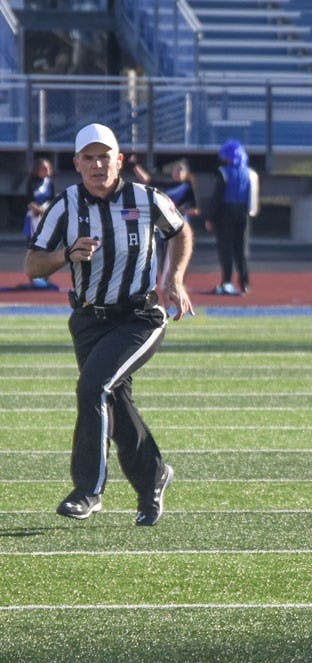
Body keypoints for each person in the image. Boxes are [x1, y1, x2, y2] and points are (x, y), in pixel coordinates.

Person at [23, 122, 194, 526]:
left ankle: (88, 490)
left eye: (105, 156)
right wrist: (66, 254)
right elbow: (32, 265)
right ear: (77, 164)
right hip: (88, 319)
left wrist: (174, 279)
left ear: (119, 160)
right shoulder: (65, 206)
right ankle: (154, 478)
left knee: (93, 387)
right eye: (89, 157)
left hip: (140, 315)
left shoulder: (146, 198)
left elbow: (180, 231)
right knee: (114, 401)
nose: (98, 164)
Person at [129, 158, 200, 289]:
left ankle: (178, 282)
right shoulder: (167, 185)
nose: (177, 172)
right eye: (176, 169)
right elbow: (147, 181)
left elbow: (196, 209)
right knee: (164, 252)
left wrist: (182, 210)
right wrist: (134, 165)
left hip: (181, 225)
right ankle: (166, 281)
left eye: (181, 170)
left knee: (179, 253)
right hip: (164, 224)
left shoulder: (188, 187)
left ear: (187, 173)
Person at [205, 139, 258, 296]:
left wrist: (210, 218)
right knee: (241, 249)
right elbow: (253, 199)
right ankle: (244, 283)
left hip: (225, 213)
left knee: (225, 249)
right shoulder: (251, 173)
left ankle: (227, 282)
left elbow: (217, 197)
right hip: (243, 214)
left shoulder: (223, 173)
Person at [22, 157, 57, 290]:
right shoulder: (31, 183)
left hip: (46, 218)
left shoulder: (50, 183)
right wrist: (37, 208)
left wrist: (46, 210)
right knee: (33, 248)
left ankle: (46, 277)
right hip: (33, 219)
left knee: (47, 248)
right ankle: (33, 276)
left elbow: (54, 200)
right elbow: (29, 200)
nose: (45, 171)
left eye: (47, 169)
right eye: (43, 169)